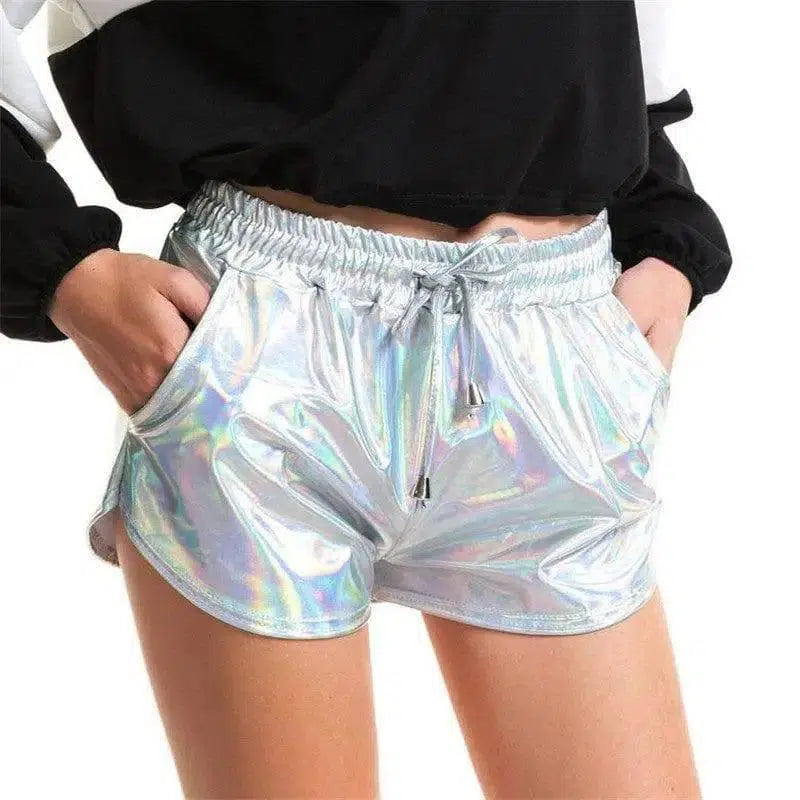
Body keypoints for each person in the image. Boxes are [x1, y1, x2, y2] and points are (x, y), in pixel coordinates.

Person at [1, 2, 730, 797]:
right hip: (266, 354)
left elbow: (616, 51)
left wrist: (666, 240)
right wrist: (55, 265)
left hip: (552, 348)